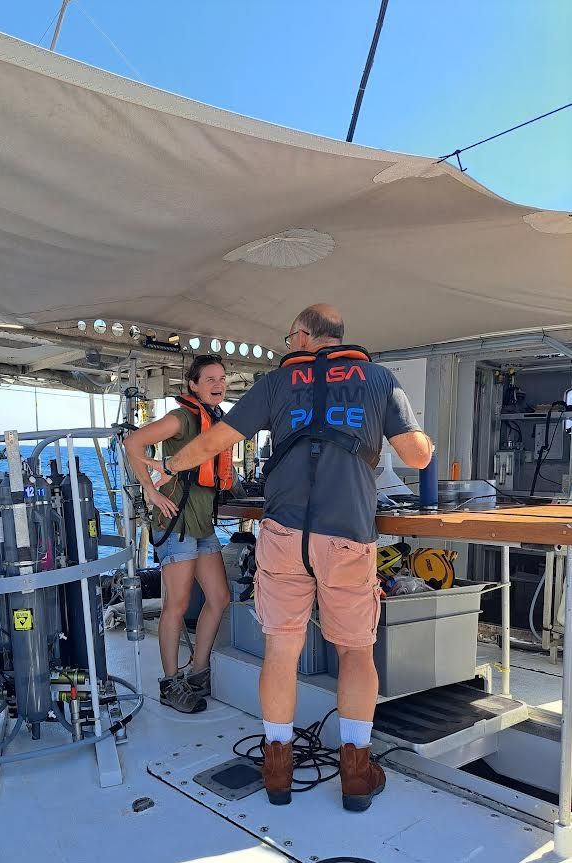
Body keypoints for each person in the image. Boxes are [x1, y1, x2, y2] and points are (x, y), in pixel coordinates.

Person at [146, 305, 432, 810]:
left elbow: (218, 439)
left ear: (303, 337)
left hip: (282, 536)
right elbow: (417, 456)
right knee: (355, 653)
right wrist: (421, 436)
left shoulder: (277, 383)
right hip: (346, 538)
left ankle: (277, 770)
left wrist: (169, 465)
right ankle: (355, 773)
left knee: (282, 649)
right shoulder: (378, 379)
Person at [124, 355, 233, 714]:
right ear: (193, 385)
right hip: (177, 523)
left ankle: (198, 672)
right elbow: (134, 443)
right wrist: (149, 491)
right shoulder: (182, 418)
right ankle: (171, 683)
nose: (219, 384)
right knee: (177, 604)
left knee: (219, 597)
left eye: (222, 378)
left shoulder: (216, 420)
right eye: (210, 379)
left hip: (201, 524)